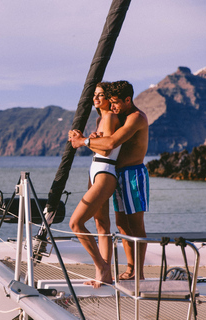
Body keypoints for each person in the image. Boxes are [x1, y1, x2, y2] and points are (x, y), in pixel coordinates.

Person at [69, 80, 149, 281]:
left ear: (127, 100)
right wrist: (90, 138)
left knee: (136, 225)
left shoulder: (135, 117)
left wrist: (84, 141)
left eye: (114, 101)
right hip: (117, 172)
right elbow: (106, 142)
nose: (113, 106)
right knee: (121, 225)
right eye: (110, 101)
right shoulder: (116, 117)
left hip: (132, 174)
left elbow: (111, 143)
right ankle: (124, 271)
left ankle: (136, 273)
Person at [68, 82, 121, 288]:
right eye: (95, 95)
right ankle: (105, 276)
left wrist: (82, 140)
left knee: (76, 223)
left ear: (109, 98)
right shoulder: (101, 119)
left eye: (101, 95)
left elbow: (107, 150)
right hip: (97, 169)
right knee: (102, 225)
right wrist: (85, 139)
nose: (96, 99)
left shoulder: (108, 117)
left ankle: (101, 266)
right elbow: (100, 146)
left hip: (105, 171)